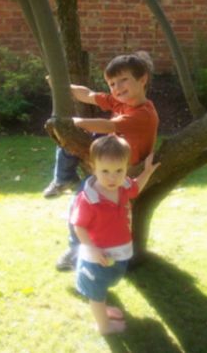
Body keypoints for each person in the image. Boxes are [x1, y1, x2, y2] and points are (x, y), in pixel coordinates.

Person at [48, 51, 159, 270]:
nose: (117, 88)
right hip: (111, 160)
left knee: (81, 203)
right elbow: (88, 95)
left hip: (121, 174)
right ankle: (64, 178)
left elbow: (107, 126)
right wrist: (62, 88)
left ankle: (75, 250)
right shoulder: (120, 102)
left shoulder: (144, 113)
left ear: (143, 79)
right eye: (112, 84)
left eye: (123, 80)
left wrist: (74, 122)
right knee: (71, 143)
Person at [70, 134, 160, 334]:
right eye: (105, 171)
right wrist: (91, 249)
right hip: (97, 257)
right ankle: (103, 326)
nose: (113, 177)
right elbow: (79, 226)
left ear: (126, 167)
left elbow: (135, 187)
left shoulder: (123, 186)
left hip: (118, 253)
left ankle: (103, 308)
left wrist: (147, 171)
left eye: (119, 170)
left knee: (105, 283)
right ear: (93, 168)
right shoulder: (88, 199)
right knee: (96, 292)